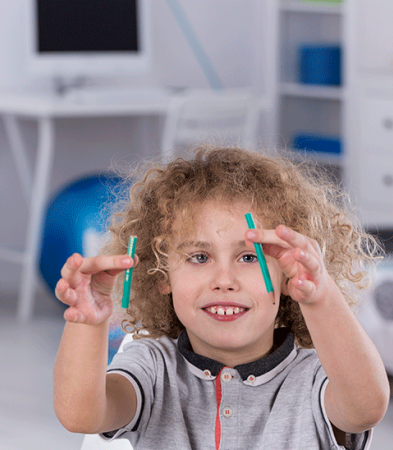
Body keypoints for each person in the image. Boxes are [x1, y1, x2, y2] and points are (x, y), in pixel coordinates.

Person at [53, 146, 390, 449]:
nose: (224, 281)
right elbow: (80, 415)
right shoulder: (153, 368)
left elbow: (367, 407)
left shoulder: (316, 375)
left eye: (248, 258)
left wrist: (320, 296)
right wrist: (88, 322)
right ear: (160, 275)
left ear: (287, 274)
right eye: (199, 257)